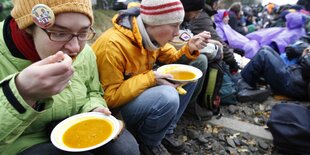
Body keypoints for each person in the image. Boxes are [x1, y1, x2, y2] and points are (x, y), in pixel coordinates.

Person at [0, 0, 139, 154]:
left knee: (126, 149)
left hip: (75, 125)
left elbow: (93, 92)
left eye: (83, 32)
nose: (74, 48)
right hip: (22, 142)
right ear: (28, 28)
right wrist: (20, 94)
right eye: (60, 33)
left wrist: (93, 108)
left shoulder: (85, 52)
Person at [91, 0, 210, 154]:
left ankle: (166, 131)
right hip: (113, 110)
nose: (177, 33)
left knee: (189, 76)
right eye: (174, 25)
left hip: (134, 95)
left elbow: (171, 57)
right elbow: (109, 98)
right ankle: (149, 143)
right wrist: (151, 78)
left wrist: (189, 48)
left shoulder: (149, 36)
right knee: (168, 96)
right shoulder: (112, 45)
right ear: (154, 23)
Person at [239, 36, 310, 101]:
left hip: (293, 84)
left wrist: (305, 56)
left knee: (264, 54)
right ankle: (246, 82)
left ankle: (244, 87)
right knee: (266, 48)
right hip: (294, 76)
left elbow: (306, 71)